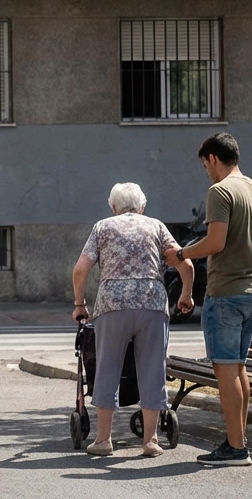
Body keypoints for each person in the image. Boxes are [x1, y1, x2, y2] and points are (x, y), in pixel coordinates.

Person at [163, 132, 252, 467]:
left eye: (205, 165)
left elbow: (215, 242)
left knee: (226, 370)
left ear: (212, 158)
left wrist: (181, 252)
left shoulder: (220, 191)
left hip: (227, 291)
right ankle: (236, 439)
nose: (206, 173)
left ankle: (236, 448)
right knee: (238, 367)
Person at [72, 182, 194, 458]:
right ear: (142, 207)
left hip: (112, 305)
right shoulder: (156, 226)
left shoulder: (103, 227)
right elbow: (185, 263)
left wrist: (80, 305)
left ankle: (104, 440)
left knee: (107, 368)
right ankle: (150, 441)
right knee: (152, 369)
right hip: (151, 303)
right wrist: (185, 295)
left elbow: (80, 269)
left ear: (113, 207)